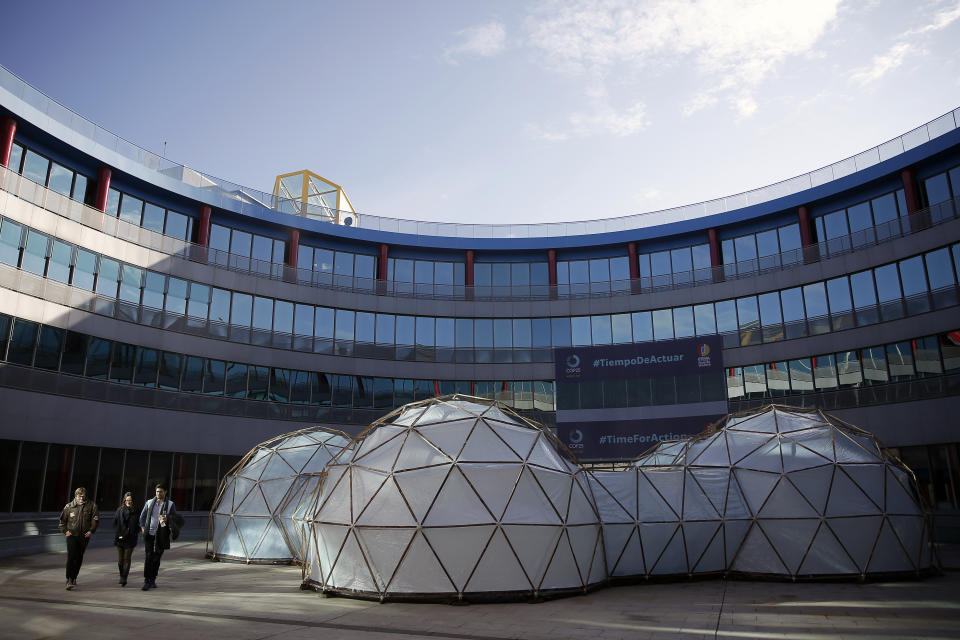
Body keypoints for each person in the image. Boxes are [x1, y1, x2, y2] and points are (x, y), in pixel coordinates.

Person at [139, 483, 180, 591]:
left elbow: (176, 518)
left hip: (161, 535)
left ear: (165, 492)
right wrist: (143, 529)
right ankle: (147, 580)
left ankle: (153, 579)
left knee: (156, 558)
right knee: (148, 557)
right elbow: (142, 517)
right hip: (149, 534)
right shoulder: (149, 502)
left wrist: (168, 519)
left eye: (160, 491)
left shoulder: (170, 504)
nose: (158, 493)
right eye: (157, 491)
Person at [57, 487, 99, 590]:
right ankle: (69, 579)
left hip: (84, 536)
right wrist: (65, 531)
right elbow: (62, 522)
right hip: (72, 535)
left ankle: (74, 577)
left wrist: (91, 531)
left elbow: (95, 520)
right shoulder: (69, 507)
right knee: (71, 557)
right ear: (75, 496)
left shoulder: (92, 506)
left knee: (79, 557)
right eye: (79, 496)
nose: (81, 497)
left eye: (83, 496)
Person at [113, 492, 139, 586]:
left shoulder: (136, 511)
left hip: (131, 539)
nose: (129, 502)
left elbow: (139, 524)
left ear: (133, 501)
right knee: (120, 560)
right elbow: (114, 522)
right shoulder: (119, 510)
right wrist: (120, 531)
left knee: (127, 558)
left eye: (130, 500)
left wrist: (134, 532)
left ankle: (124, 578)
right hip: (120, 538)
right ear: (124, 500)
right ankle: (121, 575)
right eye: (127, 500)